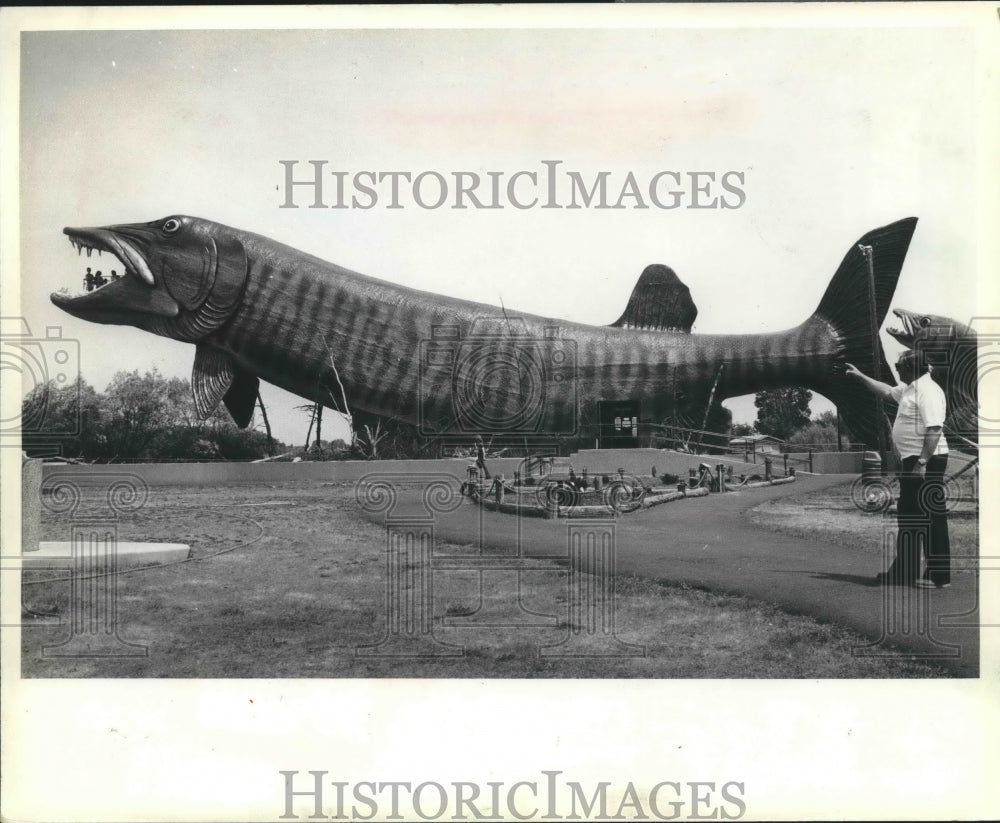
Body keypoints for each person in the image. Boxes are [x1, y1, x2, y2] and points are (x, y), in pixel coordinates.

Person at [846, 351, 950, 588]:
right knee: (910, 517)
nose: (896, 369)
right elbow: (884, 390)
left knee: (931, 518)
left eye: (898, 365)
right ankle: (904, 572)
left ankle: (939, 577)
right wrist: (860, 376)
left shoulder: (927, 391)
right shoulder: (911, 389)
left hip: (925, 461)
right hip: (913, 460)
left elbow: (934, 429)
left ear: (911, 367)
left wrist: (921, 463)